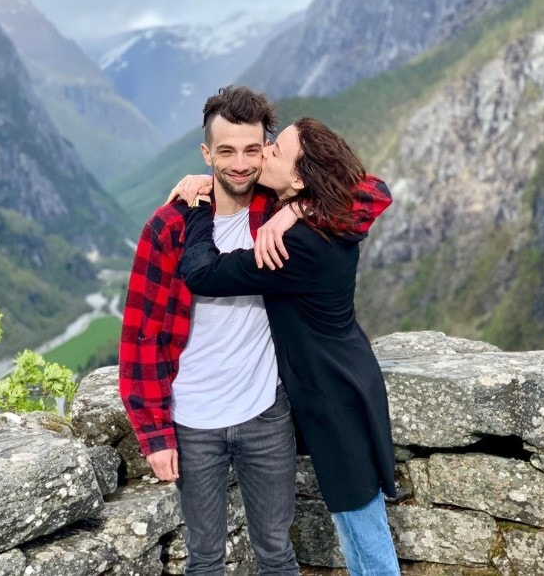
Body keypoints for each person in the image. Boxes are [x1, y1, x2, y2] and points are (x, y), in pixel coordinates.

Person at [178, 117, 401, 576]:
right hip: (346, 379)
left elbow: (203, 273)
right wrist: (298, 207)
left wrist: (199, 209)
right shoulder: (328, 217)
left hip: (333, 396)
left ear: (299, 178)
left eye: (274, 152)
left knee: (362, 525)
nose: (262, 155)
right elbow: (368, 188)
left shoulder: (296, 246)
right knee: (351, 517)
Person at [119, 86, 301, 575]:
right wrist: (155, 435)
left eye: (251, 149)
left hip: (266, 413)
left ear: (266, 149)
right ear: (207, 153)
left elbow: (367, 194)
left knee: (277, 552)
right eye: (226, 151)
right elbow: (141, 338)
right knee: (204, 557)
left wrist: (297, 209)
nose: (239, 163)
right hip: (192, 420)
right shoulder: (170, 228)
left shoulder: (277, 211)